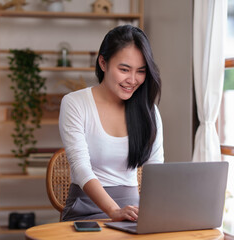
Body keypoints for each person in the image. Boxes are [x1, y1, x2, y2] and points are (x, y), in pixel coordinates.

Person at [58, 24, 164, 222]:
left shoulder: (148, 111)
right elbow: (81, 169)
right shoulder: (75, 103)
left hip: (134, 214)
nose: (132, 80)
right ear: (103, 63)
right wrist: (114, 211)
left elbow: (155, 168)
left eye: (140, 71)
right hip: (86, 210)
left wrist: (152, 213)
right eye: (124, 69)